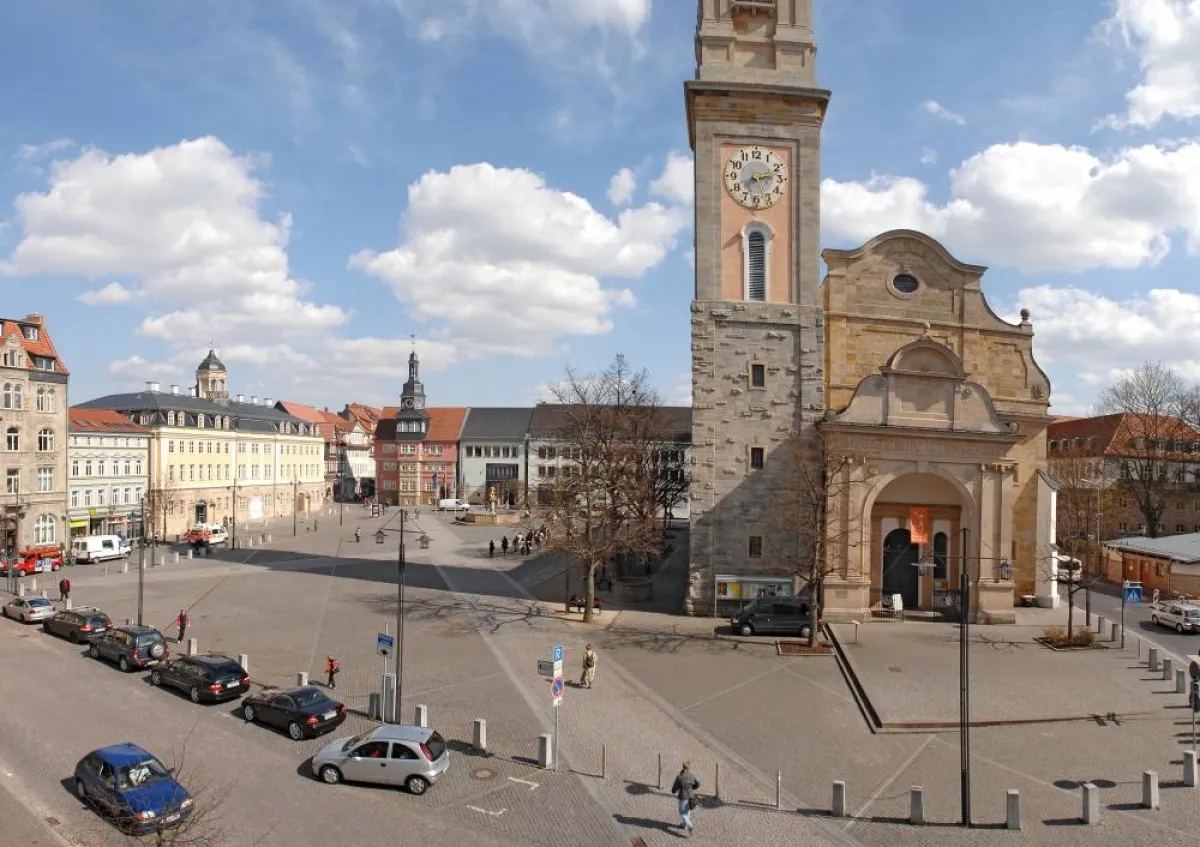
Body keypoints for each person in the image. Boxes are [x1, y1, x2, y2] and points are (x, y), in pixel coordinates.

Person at [671, 761, 700, 836]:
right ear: (689, 767)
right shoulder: (692, 775)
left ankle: (690, 825)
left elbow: (674, 788)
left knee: (682, 812)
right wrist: (692, 788)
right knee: (687, 811)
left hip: (683, 797)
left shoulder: (679, 777)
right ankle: (684, 825)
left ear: (683, 767)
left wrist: (674, 791)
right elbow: (698, 784)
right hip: (691, 796)